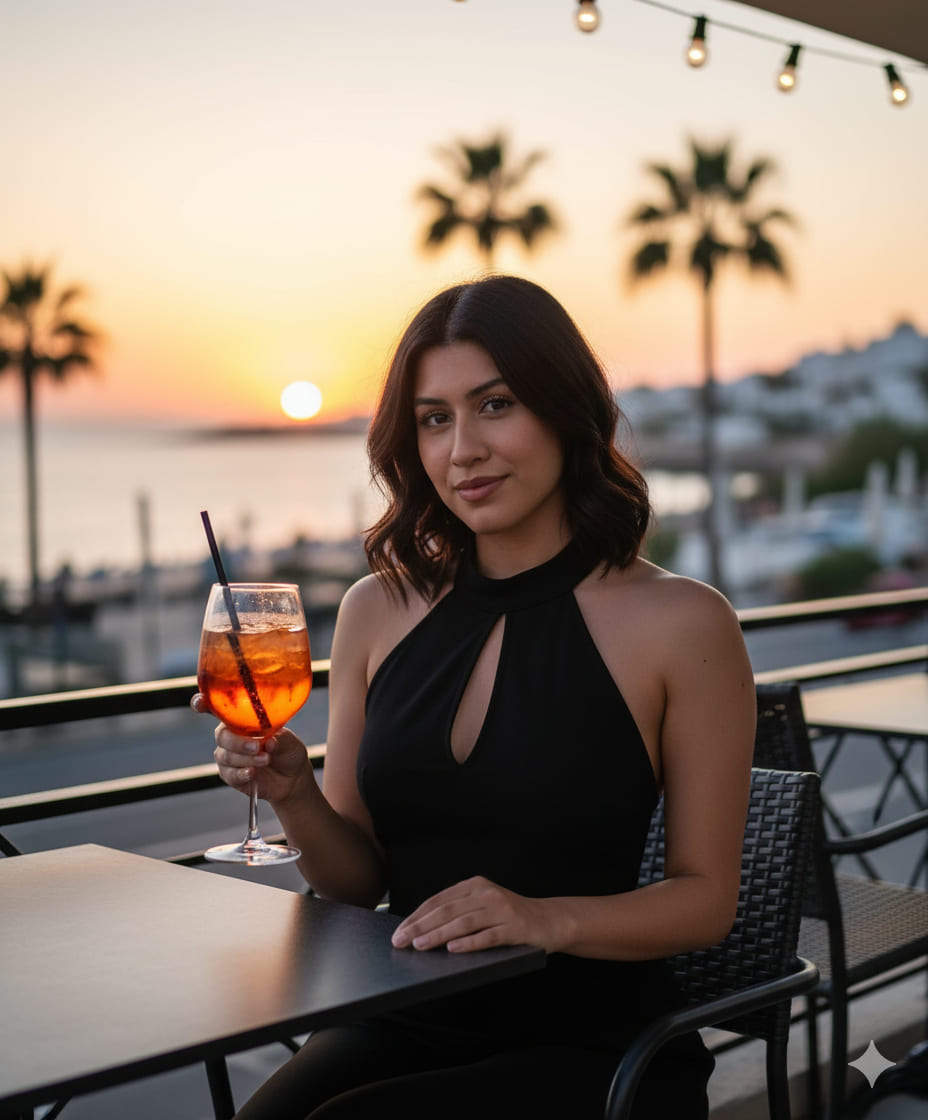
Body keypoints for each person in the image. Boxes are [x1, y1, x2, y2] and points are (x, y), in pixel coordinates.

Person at [193, 274, 756, 1119]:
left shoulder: (682, 622)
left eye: (496, 405)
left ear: (566, 411)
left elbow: (706, 899)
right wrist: (293, 791)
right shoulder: (373, 611)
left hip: (600, 1047)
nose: (463, 450)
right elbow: (352, 883)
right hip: (403, 1014)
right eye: (434, 418)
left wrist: (545, 918)